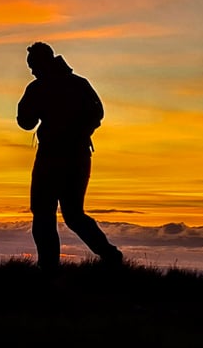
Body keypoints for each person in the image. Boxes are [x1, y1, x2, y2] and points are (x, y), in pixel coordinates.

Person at [16, 42, 125, 272]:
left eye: (33, 66)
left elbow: (25, 122)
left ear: (42, 62)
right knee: (72, 215)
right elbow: (98, 114)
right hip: (77, 156)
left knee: (46, 213)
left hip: (53, 157)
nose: (32, 71)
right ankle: (110, 256)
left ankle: (49, 268)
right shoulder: (78, 84)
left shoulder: (40, 88)